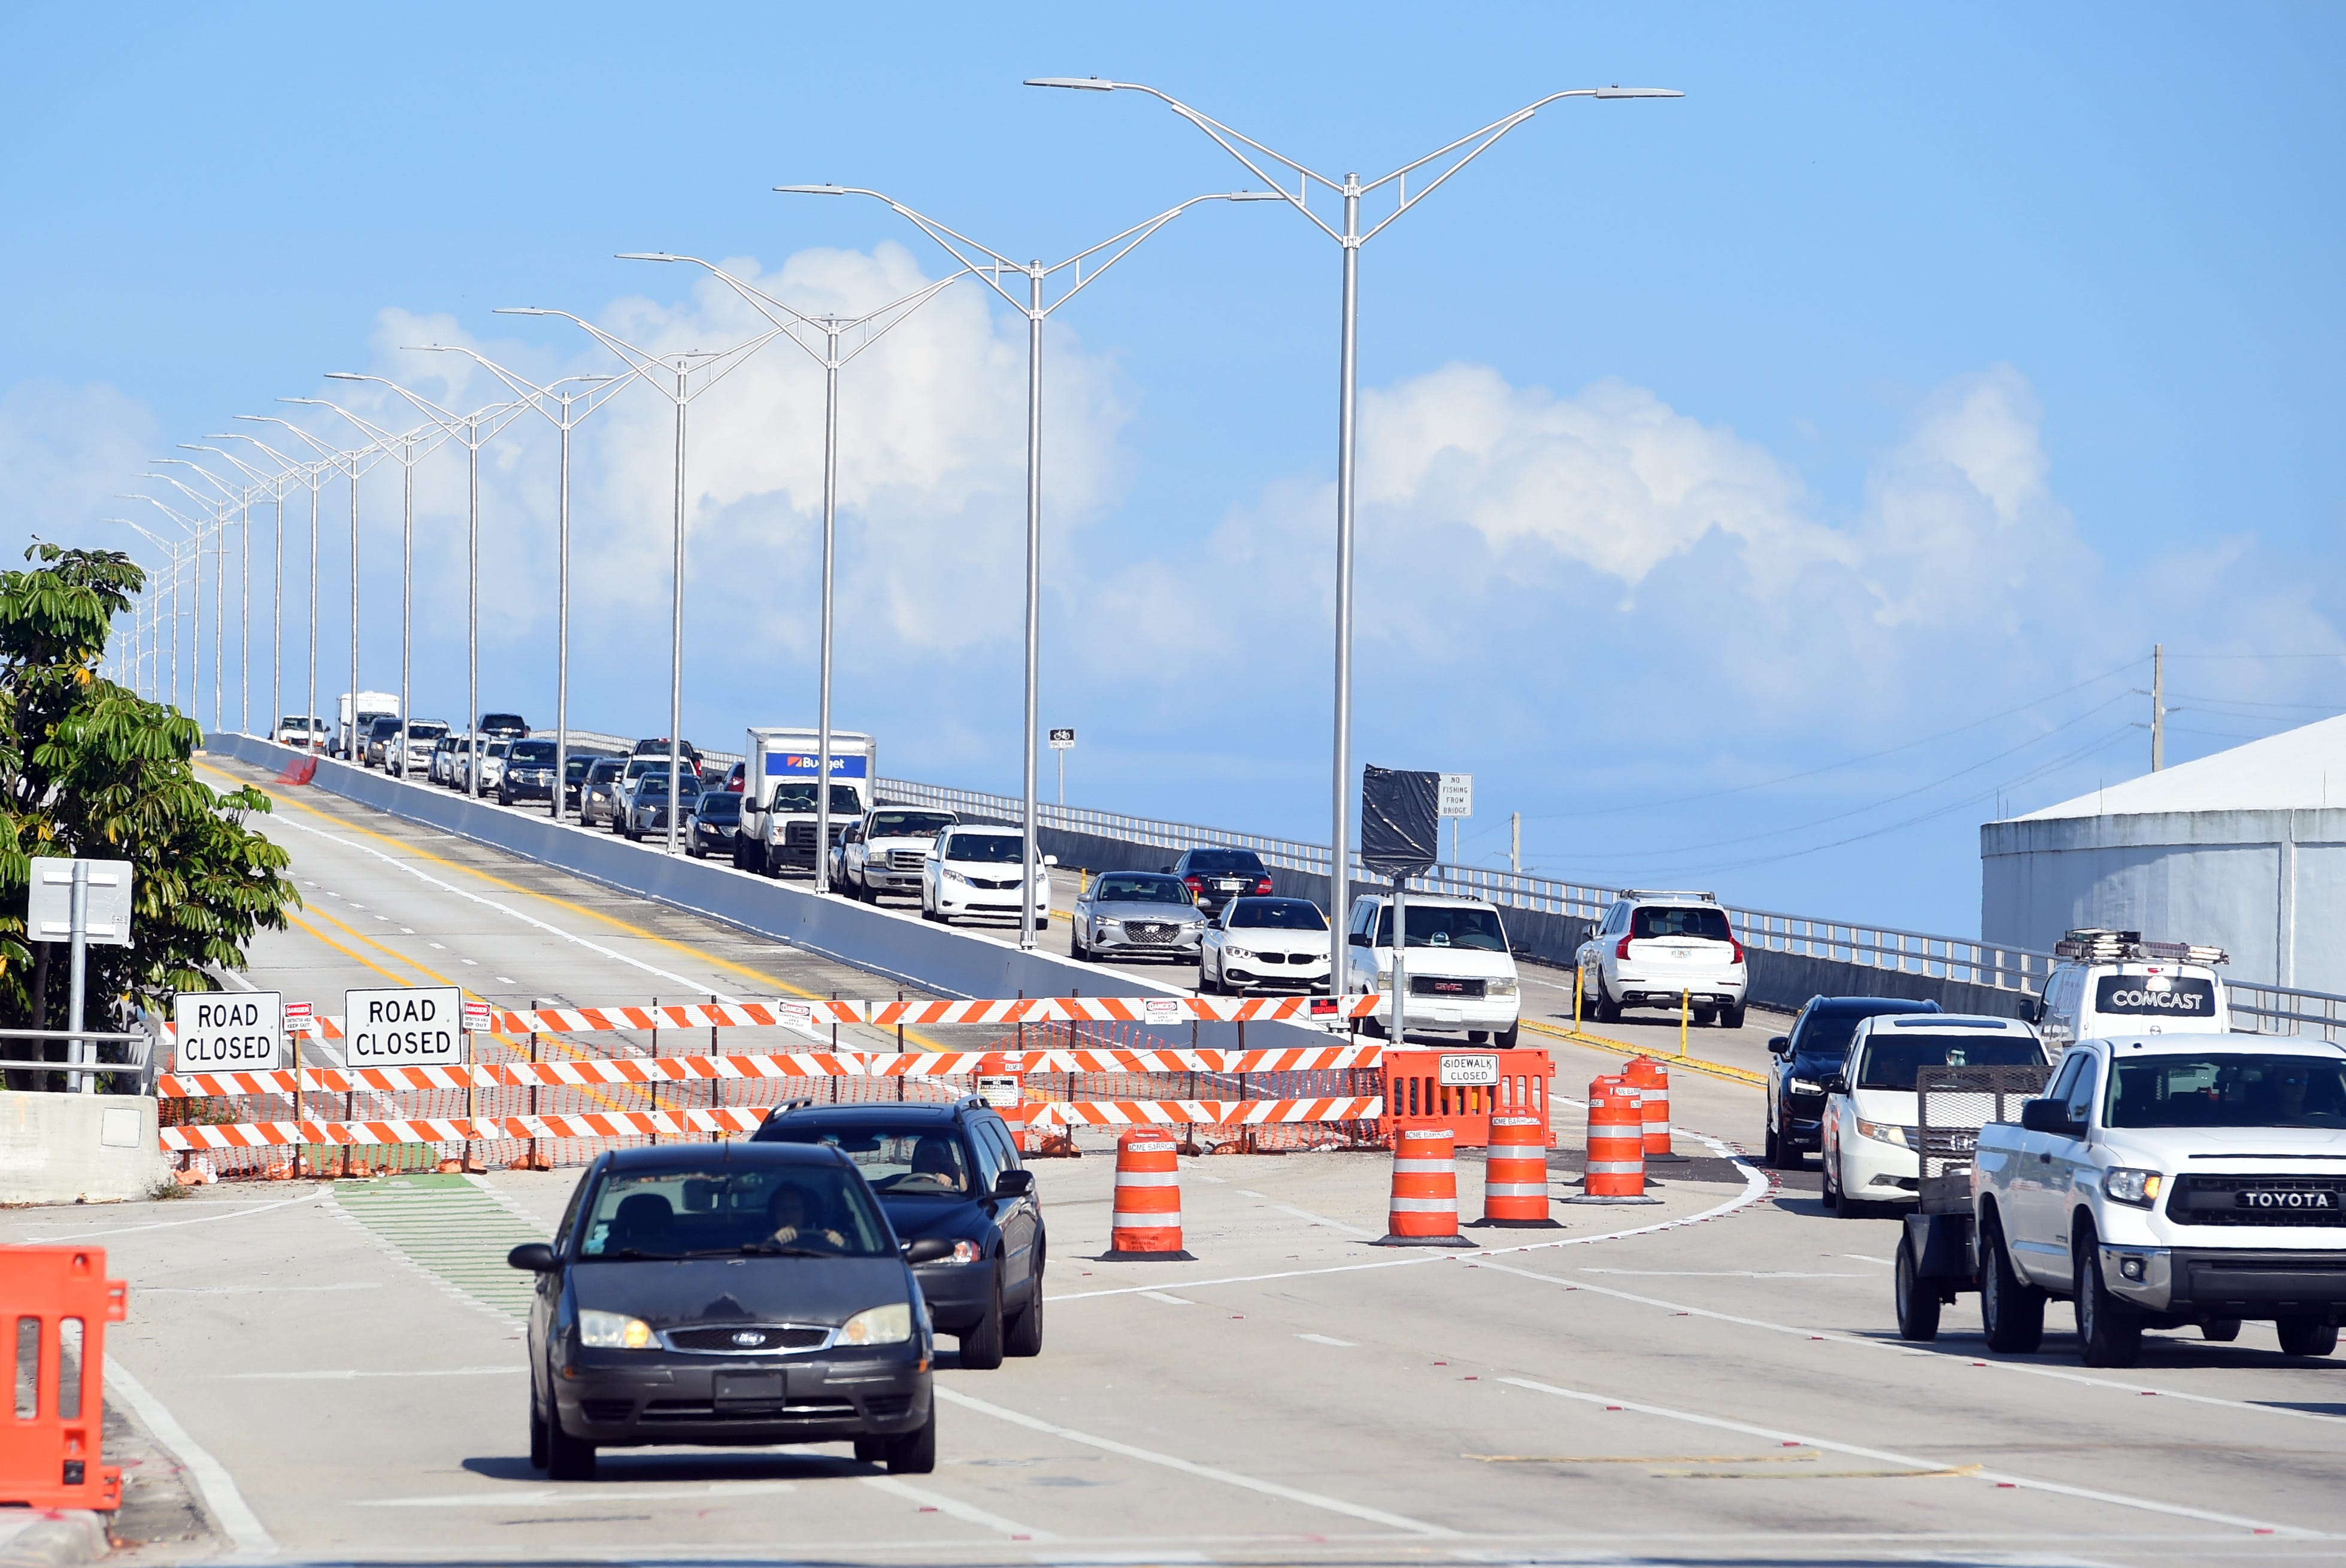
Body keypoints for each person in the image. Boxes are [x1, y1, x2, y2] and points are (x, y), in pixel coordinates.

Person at [765, 1181, 847, 1251]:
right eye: (782, 1209)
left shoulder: (822, 1239)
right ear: (774, 1214)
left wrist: (838, 1243)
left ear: (805, 1213)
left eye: (795, 1209)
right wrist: (773, 1242)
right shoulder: (762, 1241)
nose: (789, 1214)